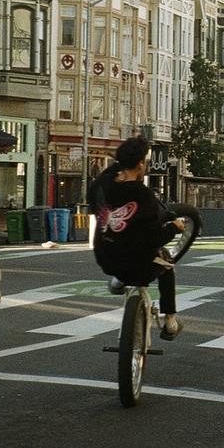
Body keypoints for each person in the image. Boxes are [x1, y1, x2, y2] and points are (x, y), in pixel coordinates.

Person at [88, 135, 184, 340]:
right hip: (140, 265)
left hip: (106, 257)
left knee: (121, 244)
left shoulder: (101, 185)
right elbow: (155, 238)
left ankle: (118, 281)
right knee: (167, 264)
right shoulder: (144, 196)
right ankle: (170, 321)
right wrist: (174, 228)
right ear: (140, 163)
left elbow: (97, 196)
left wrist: (119, 165)